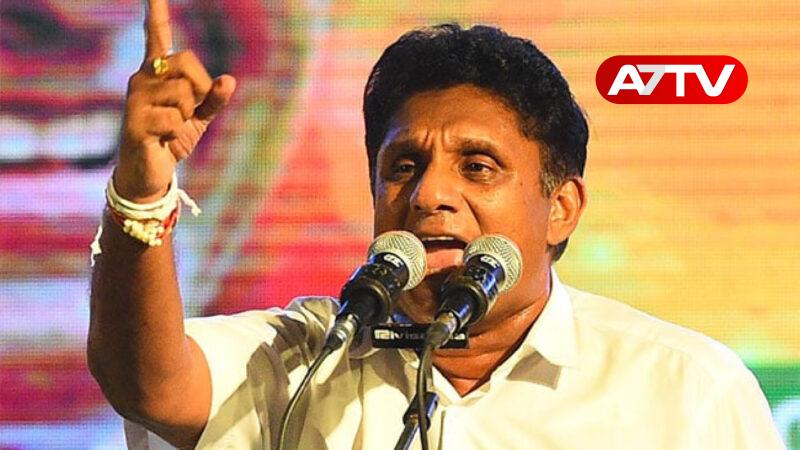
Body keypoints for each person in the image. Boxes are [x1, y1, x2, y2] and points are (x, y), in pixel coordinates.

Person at [87, 1, 785, 449]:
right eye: (404, 166)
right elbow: (150, 384)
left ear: (562, 208)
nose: (428, 196)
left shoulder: (685, 389)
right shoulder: (309, 358)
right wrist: (142, 192)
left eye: (477, 167)